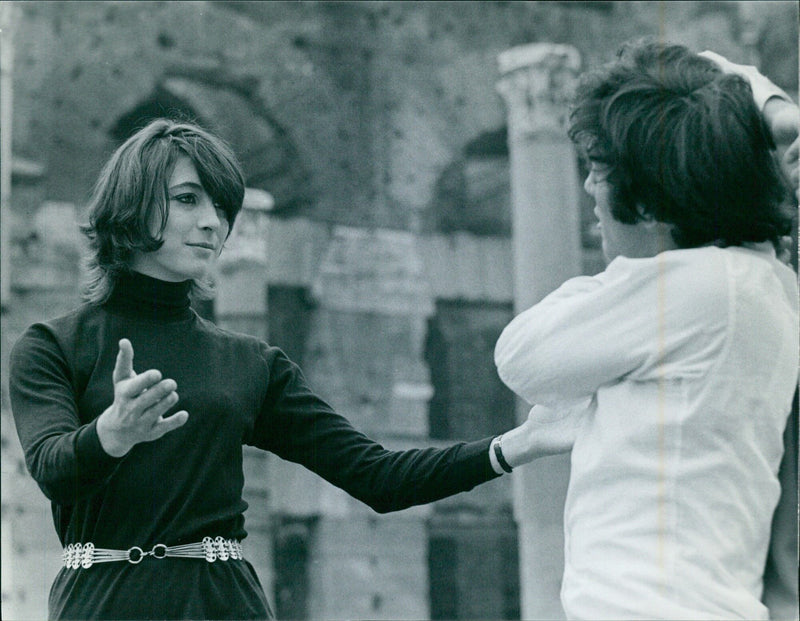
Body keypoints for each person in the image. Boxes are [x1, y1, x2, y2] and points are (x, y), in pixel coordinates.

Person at [8, 118, 542, 620]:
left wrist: (513, 447)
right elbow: (53, 469)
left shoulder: (251, 363)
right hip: (100, 605)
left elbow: (379, 477)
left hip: (223, 605)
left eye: (222, 207)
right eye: (188, 199)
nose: (212, 222)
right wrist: (112, 434)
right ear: (131, 205)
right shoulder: (51, 346)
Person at [493, 40, 799, 619]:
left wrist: (618, 275)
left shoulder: (690, 289)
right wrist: (776, 110)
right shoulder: (767, 282)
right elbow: (716, 73)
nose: (588, 189)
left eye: (600, 171)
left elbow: (521, 355)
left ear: (655, 202)